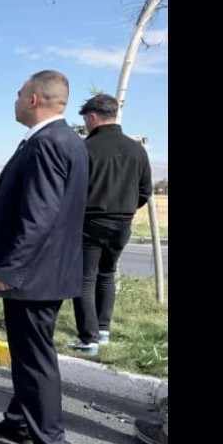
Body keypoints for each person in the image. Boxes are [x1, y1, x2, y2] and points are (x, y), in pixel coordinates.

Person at [0, 69, 89, 444]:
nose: (16, 99)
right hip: (46, 271)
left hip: (34, 274)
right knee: (28, 352)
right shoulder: (66, 140)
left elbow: (39, 216)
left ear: (34, 100)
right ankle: (21, 420)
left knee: (35, 357)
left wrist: (12, 268)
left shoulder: (48, 143)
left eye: (20, 93)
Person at [69, 93, 153, 355]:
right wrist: (124, 210)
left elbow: (72, 190)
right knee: (107, 275)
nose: (85, 124)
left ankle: (89, 339)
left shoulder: (85, 148)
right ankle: (103, 330)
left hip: (90, 221)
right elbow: (145, 191)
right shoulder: (137, 149)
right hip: (122, 224)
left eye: (85, 119)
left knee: (83, 279)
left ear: (93, 116)